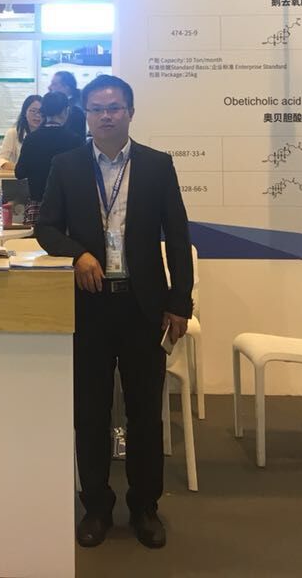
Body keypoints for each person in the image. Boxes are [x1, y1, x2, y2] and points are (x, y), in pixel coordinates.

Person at [35, 74, 193, 551]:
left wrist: (180, 302)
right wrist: (78, 253)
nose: (106, 116)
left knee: (145, 413)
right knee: (91, 411)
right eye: (97, 108)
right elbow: (46, 227)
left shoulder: (157, 165)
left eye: (115, 107)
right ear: (85, 114)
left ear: (130, 112)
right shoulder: (66, 165)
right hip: (90, 305)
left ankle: (145, 507)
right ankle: (97, 507)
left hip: (144, 306)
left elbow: (178, 237)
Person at [14, 91, 85, 203]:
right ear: (65, 111)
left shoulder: (31, 139)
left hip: (38, 203)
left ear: (44, 111)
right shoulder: (74, 140)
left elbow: (19, 173)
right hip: (67, 204)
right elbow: (82, 174)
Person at [0, 93, 43, 176]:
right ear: (25, 113)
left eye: (41, 112)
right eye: (33, 111)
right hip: (19, 179)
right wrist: (20, 168)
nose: (37, 115)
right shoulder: (13, 133)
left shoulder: (49, 134)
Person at [49, 69, 88, 139]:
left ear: (66, 87)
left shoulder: (75, 109)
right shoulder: (69, 104)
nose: (49, 87)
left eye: (54, 84)